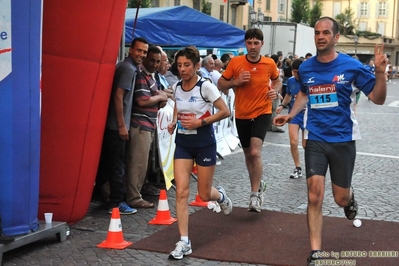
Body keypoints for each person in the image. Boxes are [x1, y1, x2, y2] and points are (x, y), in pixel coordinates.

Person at [272, 17, 387, 266]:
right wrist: (290, 114)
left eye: (326, 32)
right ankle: (316, 252)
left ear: (335, 37)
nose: (320, 36)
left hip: (344, 140)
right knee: (314, 196)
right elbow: (303, 94)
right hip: (315, 138)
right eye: (317, 33)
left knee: (339, 199)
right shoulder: (306, 68)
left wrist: (380, 75)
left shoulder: (351, 66)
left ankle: (350, 198)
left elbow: (377, 99)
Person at [167, 46, 232, 260]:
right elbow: (178, 105)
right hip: (184, 143)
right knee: (181, 192)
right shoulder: (176, 86)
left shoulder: (206, 87)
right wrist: (174, 121)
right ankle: (184, 241)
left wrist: (200, 122)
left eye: (187, 65)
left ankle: (220, 196)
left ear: (196, 66)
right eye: (179, 65)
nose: (183, 69)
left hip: (204, 143)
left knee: (204, 194)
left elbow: (225, 111)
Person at [218, 28, 282, 212]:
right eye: (249, 43)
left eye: (256, 43)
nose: (252, 47)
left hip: (262, 112)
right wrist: (235, 82)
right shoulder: (236, 63)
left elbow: (277, 80)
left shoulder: (269, 63)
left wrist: (275, 91)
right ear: (245, 44)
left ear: (262, 44)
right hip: (242, 114)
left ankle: (254, 195)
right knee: (248, 154)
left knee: (255, 152)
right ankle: (258, 183)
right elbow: (221, 84)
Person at [96, 37, 149, 214]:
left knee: (110, 164)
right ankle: (116, 203)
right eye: (139, 50)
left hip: (113, 124)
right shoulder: (128, 69)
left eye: (144, 51)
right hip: (117, 125)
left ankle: (109, 199)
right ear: (130, 50)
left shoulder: (125, 66)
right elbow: (119, 96)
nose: (142, 54)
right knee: (118, 165)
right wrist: (121, 125)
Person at [125, 46, 169, 209]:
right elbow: (142, 101)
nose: (156, 64)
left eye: (158, 61)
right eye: (152, 60)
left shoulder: (150, 76)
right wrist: (160, 97)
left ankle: (137, 192)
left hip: (148, 125)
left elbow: (158, 98)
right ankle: (134, 197)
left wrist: (159, 98)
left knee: (142, 163)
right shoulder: (141, 75)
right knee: (137, 163)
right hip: (140, 125)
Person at [276, 59, 305, 179]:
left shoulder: (309, 81)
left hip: (308, 115)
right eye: (294, 72)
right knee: (293, 142)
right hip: (294, 115)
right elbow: (288, 95)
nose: (296, 74)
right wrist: (282, 105)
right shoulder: (291, 81)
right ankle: (297, 167)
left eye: (298, 72)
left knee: (306, 145)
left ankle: (313, 167)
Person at [268, 54, 285, 133]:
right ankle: (275, 126)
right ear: (277, 62)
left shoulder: (267, 69)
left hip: (269, 92)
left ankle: (268, 126)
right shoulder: (276, 70)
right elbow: (274, 83)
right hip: (274, 92)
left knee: (269, 110)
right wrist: (277, 93)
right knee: (275, 109)